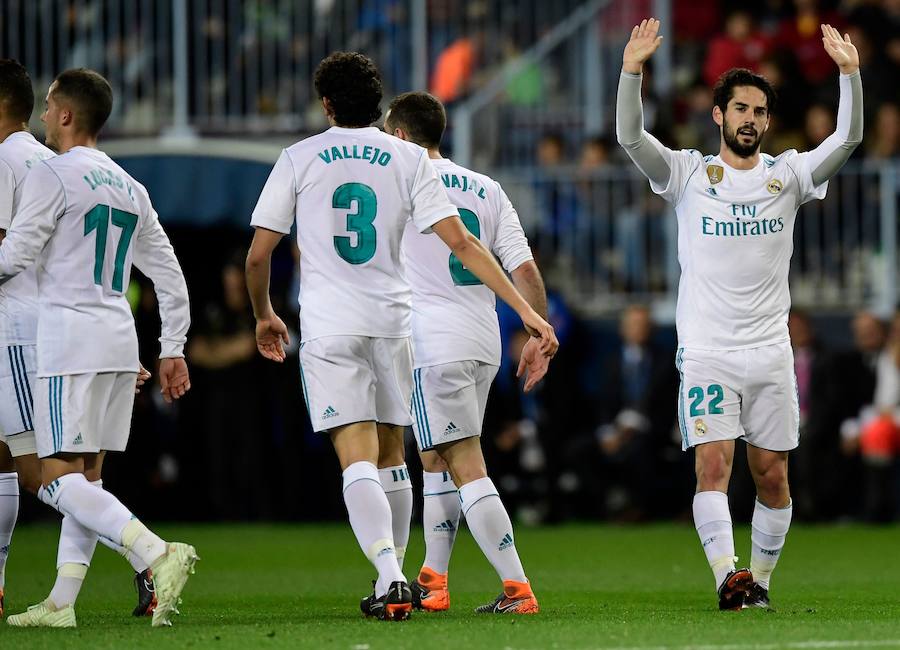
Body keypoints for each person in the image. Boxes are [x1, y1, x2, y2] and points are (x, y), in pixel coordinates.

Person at [245, 52, 556, 622]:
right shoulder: (411, 160)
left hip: (339, 325)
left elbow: (260, 252)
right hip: (400, 327)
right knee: (404, 455)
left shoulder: (299, 157)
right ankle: (425, 577)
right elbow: (464, 243)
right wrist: (530, 316)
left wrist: (264, 312)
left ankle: (397, 576)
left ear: (326, 104)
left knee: (368, 455)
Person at [617, 19, 862, 610]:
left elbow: (848, 140)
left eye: (759, 110)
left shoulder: (788, 176)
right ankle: (728, 575)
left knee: (772, 475)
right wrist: (631, 72)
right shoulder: (687, 175)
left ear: (767, 122)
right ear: (719, 117)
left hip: (771, 351)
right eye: (740, 108)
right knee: (713, 464)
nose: (750, 118)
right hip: (706, 350)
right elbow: (631, 138)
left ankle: (759, 582)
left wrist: (850, 75)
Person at [0, 68, 196, 628]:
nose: (41, 117)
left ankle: (156, 553)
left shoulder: (53, 176)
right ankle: (62, 604)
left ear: (65, 115)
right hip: (118, 339)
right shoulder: (130, 185)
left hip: (69, 340)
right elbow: (171, 276)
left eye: (49, 108)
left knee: (56, 480)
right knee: (87, 480)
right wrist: (173, 347)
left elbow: (14, 258)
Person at [384, 91, 550, 615]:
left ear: (402, 136)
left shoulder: (404, 182)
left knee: (463, 462)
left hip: (434, 341)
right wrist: (535, 335)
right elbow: (525, 271)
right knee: (435, 457)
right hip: (483, 340)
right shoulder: (487, 188)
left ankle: (516, 587)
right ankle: (434, 579)